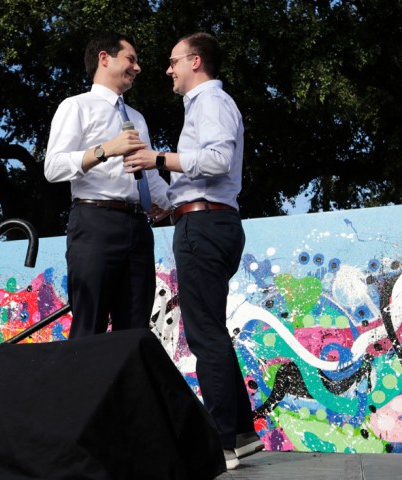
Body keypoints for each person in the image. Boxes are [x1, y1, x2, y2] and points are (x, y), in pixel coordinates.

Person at [124, 32, 263, 470]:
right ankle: (241, 434)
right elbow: (194, 177)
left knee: (204, 335)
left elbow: (217, 160)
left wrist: (157, 159)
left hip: (205, 225)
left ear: (196, 61)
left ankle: (220, 444)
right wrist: (160, 193)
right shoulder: (203, 107)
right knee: (211, 332)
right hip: (203, 220)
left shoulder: (211, 103)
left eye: (173, 61)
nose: (168, 69)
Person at [44, 33, 170, 339]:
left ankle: (126, 388)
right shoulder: (76, 107)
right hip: (95, 223)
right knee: (90, 325)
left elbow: (149, 174)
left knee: (135, 332)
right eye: (131, 58)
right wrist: (105, 150)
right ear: (104, 58)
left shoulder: (137, 118)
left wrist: (177, 204)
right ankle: (81, 388)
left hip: (139, 229)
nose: (137, 68)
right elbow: (53, 167)